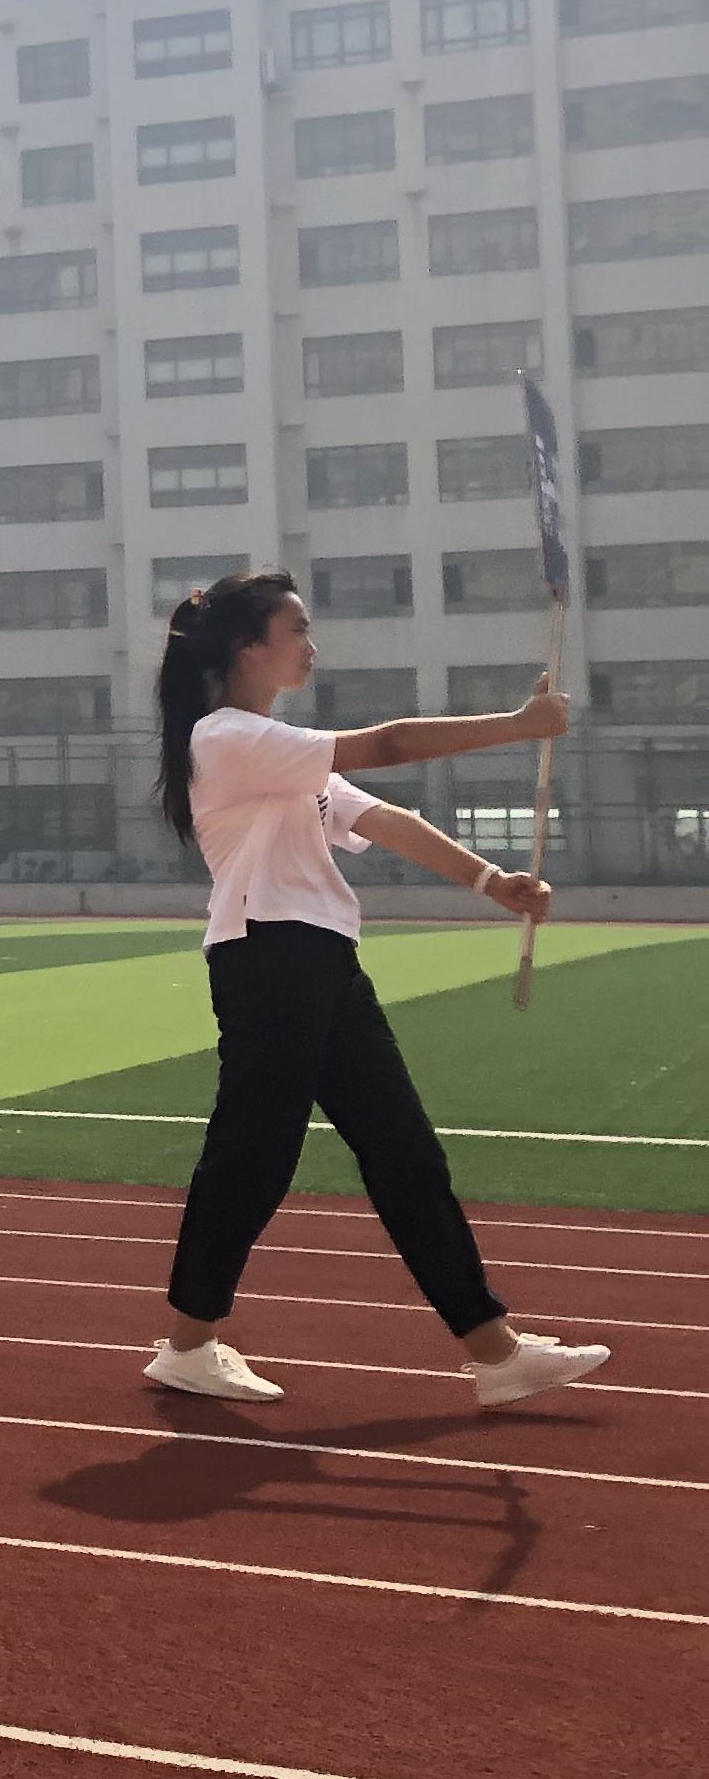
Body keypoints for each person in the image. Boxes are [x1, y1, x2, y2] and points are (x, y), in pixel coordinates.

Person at [141, 572, 608, 1411]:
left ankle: (495, 1354)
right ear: (248, 647)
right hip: (266, 958)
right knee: (254, 1157)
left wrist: (490, 881)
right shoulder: (229, 737)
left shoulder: (286, 755)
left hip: (322, 962)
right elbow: (388, 744)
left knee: (405, 1153)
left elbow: (385, 819)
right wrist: (517, 725)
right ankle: (187, 1346)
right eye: (297, 630)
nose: (311, 646)